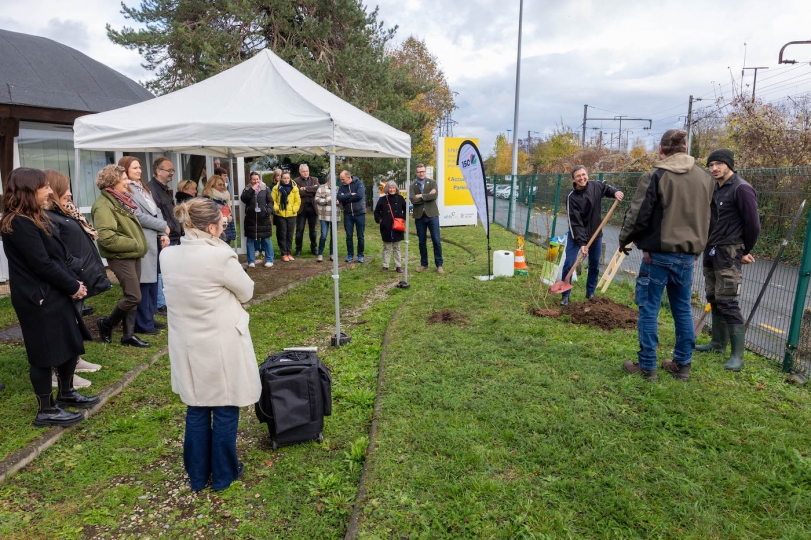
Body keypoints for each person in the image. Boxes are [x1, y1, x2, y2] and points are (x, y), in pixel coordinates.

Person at [161, 198, 260, 492]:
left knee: (198, 406)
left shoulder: (168, 256)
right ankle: (223, 474)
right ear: (212, 227)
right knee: (226, 405)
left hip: (187, 342)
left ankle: (196, 474)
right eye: (223, 224)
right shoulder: (220, 257)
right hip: (221, 341)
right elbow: (247, 291)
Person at [1, 168, 98, 427]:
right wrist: (72, 286)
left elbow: (57, 255)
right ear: (29, 190)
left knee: (68, 342)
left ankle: (66, 393)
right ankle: (46, 409)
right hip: (38, 297)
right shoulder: (18, 222)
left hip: (54, 291)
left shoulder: (37, 217)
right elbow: (41, 264)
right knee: (44, 352)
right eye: (44, 187)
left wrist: (74, 281)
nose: (50, 191)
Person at [618, 130, 714, 381]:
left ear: (661, 149)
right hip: (688, 255)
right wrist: (697, 247)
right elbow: (710, 218)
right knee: (682, 309)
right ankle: (682, 365)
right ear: (685, 147)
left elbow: (638, 215)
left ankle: (647, 366)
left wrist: (624, 239)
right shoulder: (706, 177)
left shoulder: (656, 174)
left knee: (649, 309)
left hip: (657, 256)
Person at [695, 149, 761, 372]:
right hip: (711, 249)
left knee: (728, 301)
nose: (714, 168)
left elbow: (753, 225)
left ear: (729, 165)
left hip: (729, 251)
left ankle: (737, 356)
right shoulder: (715, 187)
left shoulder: (741, 188)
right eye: (711, 164)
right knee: (714, 297)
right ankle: (717, 343)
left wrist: (744, 250)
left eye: (719, 164)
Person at [44, 170, 110, 384]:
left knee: (74, 321)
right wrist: (76, 268)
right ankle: (60, 372)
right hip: (69, 277)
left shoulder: (64, 212)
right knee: (63, 325)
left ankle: (74, 360)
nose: (70, 193)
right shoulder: (49, 217)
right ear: (53, 190)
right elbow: (57, 253)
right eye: (65, 189)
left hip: (78, 275)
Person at [93, 164, 151, 348]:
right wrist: (135, 243)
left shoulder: (120, 200)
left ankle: (128, 335)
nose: (128, 182)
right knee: (134, 296)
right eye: (124, 179)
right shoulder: (104, 205)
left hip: (133, 254)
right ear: (112, 182)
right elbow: (106, 238)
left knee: (131, 294)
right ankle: (107, 323)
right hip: (121, 256)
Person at [559, 166, 624, 306]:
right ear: (573, 179)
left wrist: (615, 192)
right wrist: (582, 243)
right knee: (569, 263)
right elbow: (574, 223)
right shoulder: (572, 197)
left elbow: (606, 188)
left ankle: (590, 293)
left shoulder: (595, 186)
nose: (582, 178)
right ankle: (565, 295)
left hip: (596, 235)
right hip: (576, 237)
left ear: (587, 175)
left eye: (583, 174)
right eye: (578, 176)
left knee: (594, 264)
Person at [120, 156, 170, 336]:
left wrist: (163, 233)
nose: (139, 170)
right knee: (144, 283)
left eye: (140, 167)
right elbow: (138, 216)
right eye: (135, 168)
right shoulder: (126, 190)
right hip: (142, 240)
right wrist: (162, 226)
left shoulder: (143, 188)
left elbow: (156, 211)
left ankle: (149, 317)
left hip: (153, 239)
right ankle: (143, 323)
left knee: (153, 281)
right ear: (124, 170)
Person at [149, 156, 180, 317]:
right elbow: (156, 216)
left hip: (172, 234)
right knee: (162, 270)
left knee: (169, 270)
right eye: (169, 170)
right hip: (164, 236)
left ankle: (166, 301)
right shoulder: (152, 190)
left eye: (172, 170)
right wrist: (164, 231)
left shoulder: (162, 188)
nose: (172, 173)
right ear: (158, 171)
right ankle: (160, 304)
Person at [409, 163, 443, 273]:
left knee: (436, 241)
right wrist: (427, 195)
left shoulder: (432, 182)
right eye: (419, 171)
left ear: (425, 172)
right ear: (416, 173)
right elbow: (413, 200)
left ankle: (439, 265)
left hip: (432, 215)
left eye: (423, 171)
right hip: (419, 217)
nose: (421, 173)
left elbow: (435, 196)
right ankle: (424, 264)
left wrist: (421, 196)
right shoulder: (412, 185)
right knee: (421, 241)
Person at [240, 171, 275, 268]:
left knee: (266, 239)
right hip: (251, 219)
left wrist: (268, 210)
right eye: (254, 179)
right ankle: (251, 261)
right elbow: (244, 199)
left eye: (257, 179)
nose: (256, 181)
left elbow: (270, 201)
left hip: (263, 218)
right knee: (250, 240)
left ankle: (269, 259)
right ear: (250, 180)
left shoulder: (265, 188)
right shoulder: (247, 189)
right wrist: (252, 189)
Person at [374, 180, 407, 272]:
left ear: (396, 188)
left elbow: (406, 210)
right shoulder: (382, 199)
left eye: (393, 187)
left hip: (397, 226)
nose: (392, 189)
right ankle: (385, 265)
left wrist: (403, 218)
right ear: (387, 189)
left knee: (397, 247)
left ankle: (398, 266)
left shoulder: (400, 198)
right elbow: (376, 212)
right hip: (386, 226)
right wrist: (380, 220)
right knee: (386, 247)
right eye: (390, 187)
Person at [271, 171, 301, 261]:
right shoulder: (276, 188)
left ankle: (289, 252)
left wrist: (294, 209)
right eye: (284, 178)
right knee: (282, 234)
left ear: (290, 178)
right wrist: (277, 209)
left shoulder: (294, 188)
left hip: (292, 214)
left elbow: (298, 201)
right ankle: (284, 253)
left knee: (290, 235)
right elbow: (273, 201)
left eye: (288, 178)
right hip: (281, 215)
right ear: (281, 178)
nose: (286, 180)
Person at [337, 170, 366, 263]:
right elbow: (339, 197)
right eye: (341, 179)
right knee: (349, 236)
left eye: (343, 179)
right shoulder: (342, 187)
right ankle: (350, 255)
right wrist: (350, 194)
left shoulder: (359, 183)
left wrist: (346, 200)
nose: (341, 181)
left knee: (360, 236)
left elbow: (359, 196)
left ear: (349, 178)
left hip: (360, 214)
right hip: (348, 215)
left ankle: (360, 255)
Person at [294, 164, 319, 257]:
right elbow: (298, 192)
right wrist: (311, 191)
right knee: (299, 230)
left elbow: (318, 189)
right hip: (302, 208)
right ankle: (298, 249)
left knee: (313, 230)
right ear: (300, 172)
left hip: (312, 208)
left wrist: (306, 188)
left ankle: (314, 248)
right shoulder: (296, 181)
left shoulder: (314, 179)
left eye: (307, 171)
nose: (305, 173)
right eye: (303, 171)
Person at [203, 174, 236, 244]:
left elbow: (228, 212)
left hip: (226, 230)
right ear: (212, 185)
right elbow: (210, 216)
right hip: (215, 232)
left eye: (223, 185)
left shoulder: (224, 197)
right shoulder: (208, 198)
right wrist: (226, 218)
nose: (222, 187)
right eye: (219, 185)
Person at [314, 175, 336, 262]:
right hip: (324, 215)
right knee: (323, 235)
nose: (332, 182)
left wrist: (338, 201)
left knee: (333, 236)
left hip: (335, 216)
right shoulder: (321, 188)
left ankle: (332, 254)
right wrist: (327, 200)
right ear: (328, 180)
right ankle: (320, 254)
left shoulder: (337, 188)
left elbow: (341, 200)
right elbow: (316, 200)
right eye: (331, 180)